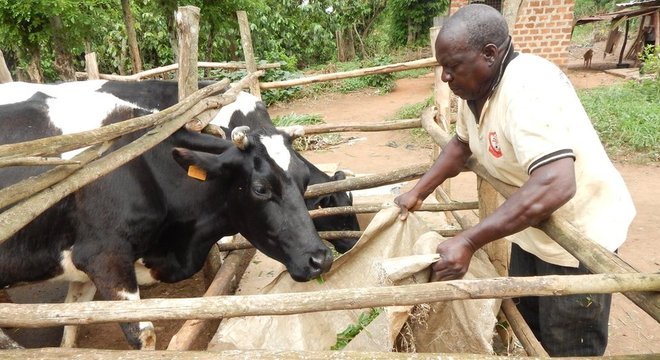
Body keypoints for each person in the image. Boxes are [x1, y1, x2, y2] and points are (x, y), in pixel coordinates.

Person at [394, 4, 635, 356]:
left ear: (489, 54)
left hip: (580, 238)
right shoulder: (475, 90)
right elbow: (461, 146)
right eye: (442, 68)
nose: (445, 77)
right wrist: (417, 192)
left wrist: (469, 241)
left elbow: (556, 183)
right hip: (532, 231)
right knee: (530, 325)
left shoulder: (526, 87)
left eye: (452, 67)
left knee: (568, 343)